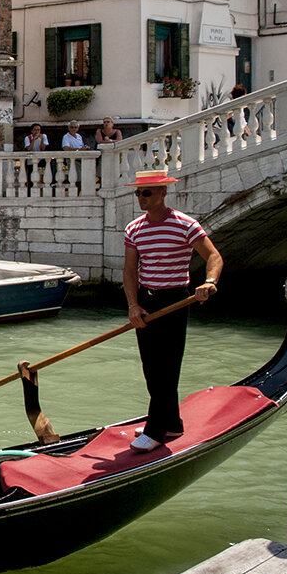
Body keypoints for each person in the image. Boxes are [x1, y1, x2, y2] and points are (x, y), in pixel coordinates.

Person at [122, 170, 223, 454]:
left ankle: (155, 431)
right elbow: (130, 271)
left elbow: (214, 256)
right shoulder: (134, 229)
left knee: (166, 368)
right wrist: (133, 305)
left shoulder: (185, 225)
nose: (141, 198)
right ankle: (172, 423)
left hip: (176, 301)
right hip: (146, 301)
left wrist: (209, 282)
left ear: (163, 193)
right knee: (151, 368)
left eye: (147, 192)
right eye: (139, 193)